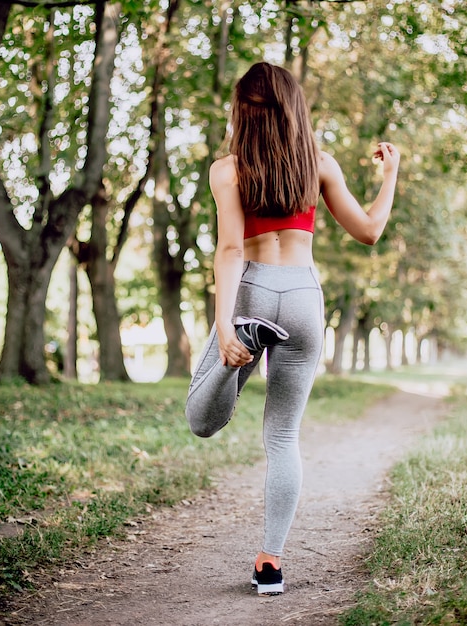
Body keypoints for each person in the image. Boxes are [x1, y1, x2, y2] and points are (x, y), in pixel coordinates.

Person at [185, 61, 400, 596]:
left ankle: (246, 341)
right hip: (302, 294)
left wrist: (225, 321)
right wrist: (390, 174)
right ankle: (270, 564)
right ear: (294, 108)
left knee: (201, 420)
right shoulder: (320, 165)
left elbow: (232, 248)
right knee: (283, 436)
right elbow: (369, 232)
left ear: (242, 112)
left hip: (253, 291)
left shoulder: (226, 170)